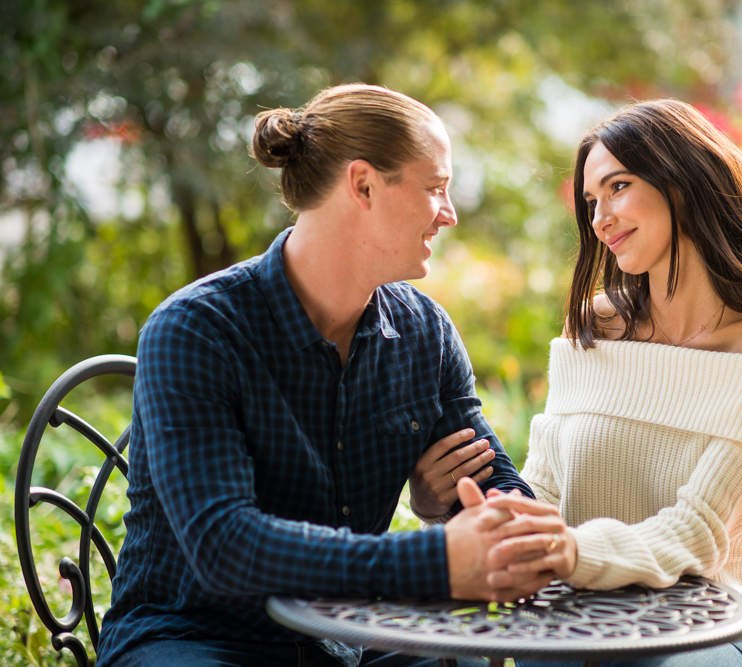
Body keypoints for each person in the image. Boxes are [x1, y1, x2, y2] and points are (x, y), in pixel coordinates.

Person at [97, 84, 549, 667]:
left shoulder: (425, 334)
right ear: (362, 184)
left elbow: (487, 479)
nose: (450, 212)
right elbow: (223, 544)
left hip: (354, 637)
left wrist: (512, 525)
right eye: (435, 187)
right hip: (196, 638)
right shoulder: (195, 329)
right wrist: (435, 559)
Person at [478, 100, 742, 667]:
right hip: (572, 619)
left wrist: (567, 550)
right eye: (592, 201)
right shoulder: (592, 326)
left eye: (617, 187)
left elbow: (698, 536)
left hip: (706, 630)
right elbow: (544, 490)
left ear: (683, 182)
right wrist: (485, 517)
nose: (599, 219)